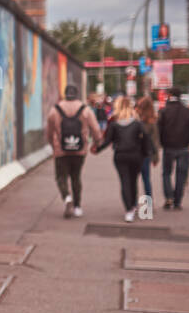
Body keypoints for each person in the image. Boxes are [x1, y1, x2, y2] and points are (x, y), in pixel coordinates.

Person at [46, 84, 101, 218]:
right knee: (76, 177)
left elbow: (49, 132)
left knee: (61, 177)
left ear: (65, 94)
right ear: (76, 94)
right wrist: (96, 143)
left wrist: (53, 146)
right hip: (80, 151)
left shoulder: (55, 110)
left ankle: (67, 198)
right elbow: (96, 130)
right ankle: (77, 207)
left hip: (61, 151)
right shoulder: (85, 110)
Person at [96, 96, 153, 222]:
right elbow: (146, 139)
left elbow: (107, 141)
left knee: (125, 182)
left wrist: (97, 149)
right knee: (133, 181)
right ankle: (133, 205)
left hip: (120, 156)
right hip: (136, 156)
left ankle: (129, 210)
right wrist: (146, 154)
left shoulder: (114, 124)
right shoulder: (137, 123)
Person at [159, 86, 189, 210]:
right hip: (183, 147)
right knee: (181, 175)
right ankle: (177, 202)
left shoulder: (164, 111)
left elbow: (159, 130)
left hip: (168, 147)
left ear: (170, 95)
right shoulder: (188, 112)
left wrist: (161, 143)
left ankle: (168, 197)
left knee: (166, 173)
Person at [135, 95, 161, 215]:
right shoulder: (152, 121)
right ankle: (149, 206)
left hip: (135, 153)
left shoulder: (136, 119)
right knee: (146, 180)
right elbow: (155, 141)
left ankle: (133, 204)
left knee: (133, 180)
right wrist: (155, 157)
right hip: (146, 155)